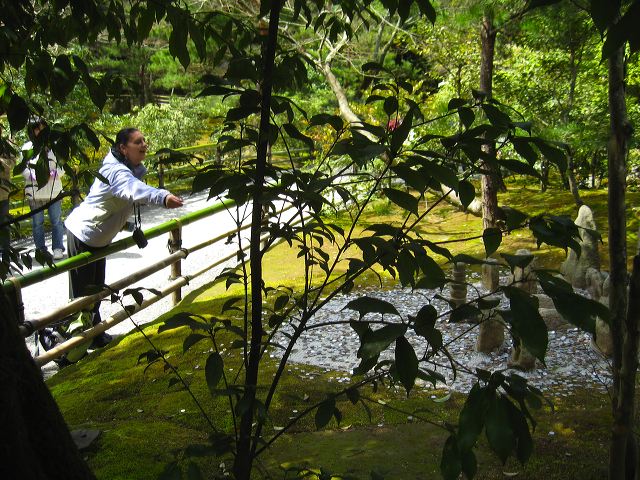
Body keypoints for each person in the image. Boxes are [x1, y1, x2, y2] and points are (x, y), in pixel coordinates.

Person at [64, 127, 183, 349]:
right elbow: (132, 189)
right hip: (83, 234)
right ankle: (70, 346)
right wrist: (162, 197)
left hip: (98, 237)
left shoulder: (130, 169)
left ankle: (95, 334)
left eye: (144, 140)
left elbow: (115, 205)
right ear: (123, 148)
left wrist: (126, 226)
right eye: (138, 142)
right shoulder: (116, 171)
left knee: (97, 289)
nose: (144, 145)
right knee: (82, 296)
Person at [21, 118, 65, 260]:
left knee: (56, 221)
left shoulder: (56, 145)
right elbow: (23, 168)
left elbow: (63, 165)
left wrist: (54, 173)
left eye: (42, 128)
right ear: (32, 130)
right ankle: (41, 249)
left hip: (54, 191)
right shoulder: (27, 147)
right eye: (37, 128)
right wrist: (34, 175)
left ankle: (58, 247)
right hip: (35, 192)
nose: (40, 131)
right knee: (37, 223)